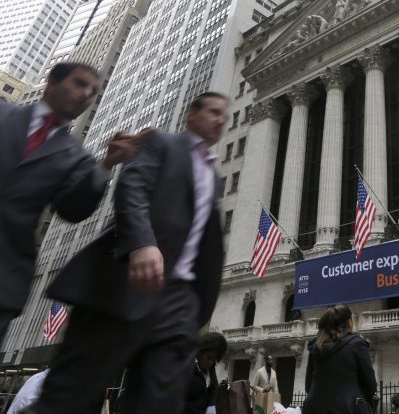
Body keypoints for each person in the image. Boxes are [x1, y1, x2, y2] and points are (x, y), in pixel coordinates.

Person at [26, 92, 230, 414]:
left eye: (225, 115)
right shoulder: (161, 143)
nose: (221, 119)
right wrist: (142, 244)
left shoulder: (214, 178)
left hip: (179, 301)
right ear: (192, 114)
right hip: (127, 283)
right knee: (69, 395)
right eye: (214, 112)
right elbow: (132, 188)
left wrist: (197, 306)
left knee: (161, 402)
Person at [0, 62, 140, 344]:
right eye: (80, 84)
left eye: (93, 92)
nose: (87, 94)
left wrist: (107, 165)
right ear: (52, 81)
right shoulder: (4, 113)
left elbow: (73, 210)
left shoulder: (77, 157)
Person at [303, 305, 377, 414]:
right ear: (349, 322)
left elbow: (309, 385)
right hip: (348, 408)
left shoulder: (317, 346)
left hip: (313, 408)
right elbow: (370, 385)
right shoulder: (357, 344)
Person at [185, 332, 227, 414]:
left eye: (214, 360)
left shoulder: (210, 367)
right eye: (209, 357)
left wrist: (211, 406)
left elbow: (214, 389)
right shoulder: (187, 363)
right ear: (201, 350)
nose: (210, 362)